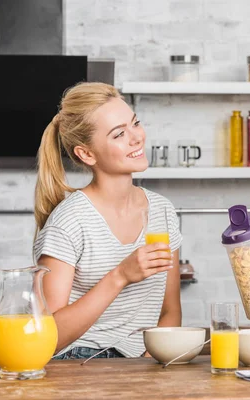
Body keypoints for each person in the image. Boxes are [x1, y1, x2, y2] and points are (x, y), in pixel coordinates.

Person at [33, 82, 182, 360]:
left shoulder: (162, 211)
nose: (136, 137)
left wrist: (148, 365)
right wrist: (120, 275)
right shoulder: (69, 222)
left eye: (135, 123)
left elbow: (170, 312)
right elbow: (46, 338)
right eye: (119, 134)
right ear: (86, 154)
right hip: (79, 361)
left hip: (143, 361)